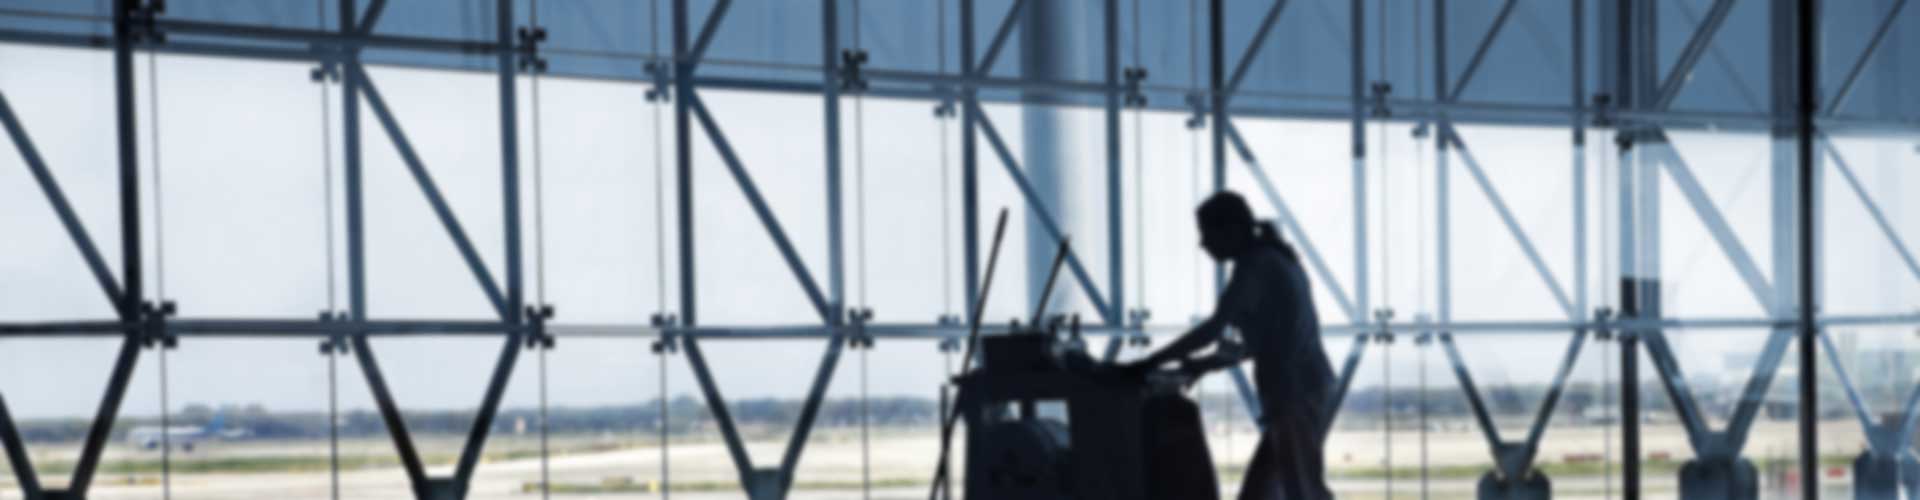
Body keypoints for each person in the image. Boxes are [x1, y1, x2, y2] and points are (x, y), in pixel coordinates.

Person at [1121, 190, 1335, 500]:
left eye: (1207, 232)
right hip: (1299, 390)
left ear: (1231, 230)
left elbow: (1212, 329)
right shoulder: (1273, 259)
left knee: (1302, 490)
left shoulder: (1255, 266)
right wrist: (1203, 365)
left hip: (1294, 393)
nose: (1203, 243)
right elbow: (1259, 343)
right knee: (1265, 491)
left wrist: (1150, 362)